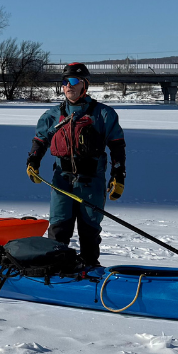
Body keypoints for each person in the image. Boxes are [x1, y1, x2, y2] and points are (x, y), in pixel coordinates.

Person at [26, 62, 125, 269]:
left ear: (84, 85)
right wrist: (33, 162)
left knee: (89, 231)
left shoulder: (103, 114)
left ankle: (90, 269)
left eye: (72, 81)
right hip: (62, 180)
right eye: (64, 82)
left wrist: (118, 176)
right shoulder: (52, 115)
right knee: (59, 229)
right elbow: (40, 141)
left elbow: (117, 147)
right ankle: (55, 269)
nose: (68, 86)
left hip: (92, 182)